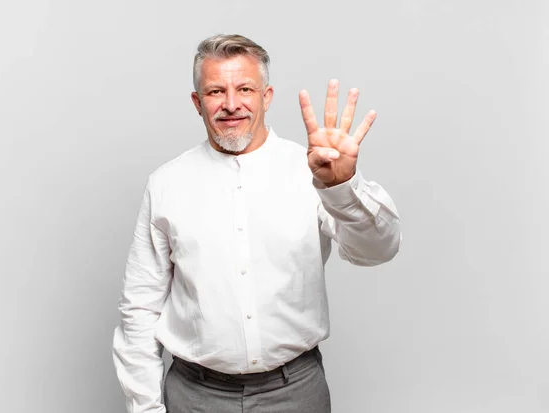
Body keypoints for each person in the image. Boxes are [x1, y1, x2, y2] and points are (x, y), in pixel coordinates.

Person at [112, 34, 401, 413]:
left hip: (295, 393)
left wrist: (342, 186)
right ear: (198, 103)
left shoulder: (312, 170)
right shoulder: (166, 184)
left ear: (266, 97)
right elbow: (140, 307)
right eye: (216, 91)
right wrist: (146, 408)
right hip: (194, 396)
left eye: (244, 89)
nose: (231, 104)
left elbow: (378, 249)